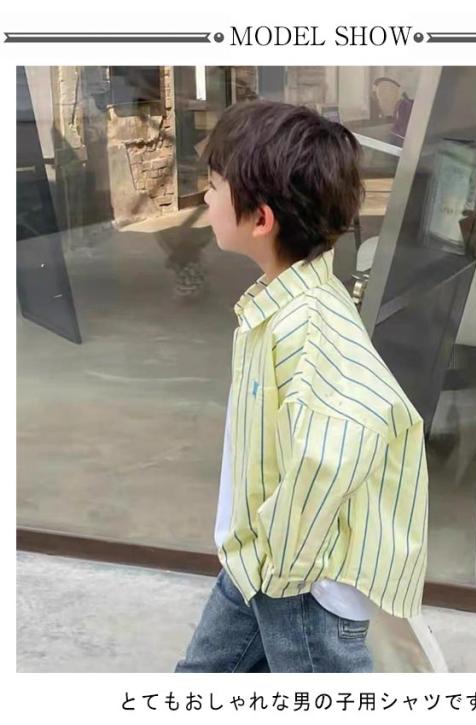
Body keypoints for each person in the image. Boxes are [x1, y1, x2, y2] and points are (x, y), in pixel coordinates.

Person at [174, 100, 429, 673]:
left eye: (214, 187)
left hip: (301, 582)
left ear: (260, 220)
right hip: (258, 559)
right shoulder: (284, 303)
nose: (205, 199)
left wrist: (280, 561)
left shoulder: (307, 325)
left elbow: (338, 448)